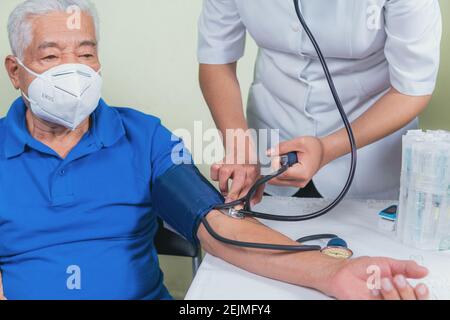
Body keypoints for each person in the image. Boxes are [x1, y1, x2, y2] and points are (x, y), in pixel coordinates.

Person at [0, 0, 430, 300]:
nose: (73, 70)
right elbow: (216, 61)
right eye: (52, 56)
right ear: (15, 72)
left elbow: (219, 225)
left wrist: (333, 272)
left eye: (86, 53)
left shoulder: (144, 137)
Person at [198, 0, 442, 202]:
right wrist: (240, 147)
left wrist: (327, 148)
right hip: (271, 151)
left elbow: (411, 89)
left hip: (367, 160)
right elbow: (216, 60)